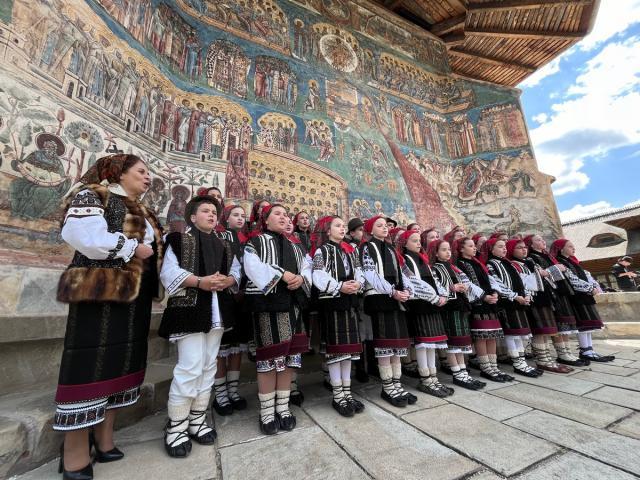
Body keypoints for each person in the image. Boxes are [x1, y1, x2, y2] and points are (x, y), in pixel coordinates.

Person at [54, 154, 163, 479]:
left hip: (134, 298)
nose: (147, 178)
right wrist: (131, 248)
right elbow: (81, 237)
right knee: (89, 366)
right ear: (120, 172)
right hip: (100, 293)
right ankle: (73, 452)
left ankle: (104, 438)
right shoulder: (94, 195)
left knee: (120, 362)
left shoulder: (144, 210)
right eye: (141, 172)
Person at [159, 195, 241, 457]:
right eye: (205, 211)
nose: (211, 215)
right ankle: (176, 426)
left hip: (216, 312)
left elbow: (236, 271)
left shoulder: (224, 246)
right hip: (190, 309)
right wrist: (199, 281)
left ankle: (197, 419)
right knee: (190, 366)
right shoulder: (178, 240)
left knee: (208, 365)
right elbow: (169, 272)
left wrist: (228, 281)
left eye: (214, 212)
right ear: (192, 217)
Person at [244, 204, 311, 434]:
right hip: (269, 306)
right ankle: (266, 412)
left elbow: (307, 268)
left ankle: (283, 407)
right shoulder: (256, 242)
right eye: (277, 214)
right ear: (266, 220)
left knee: (289, 360)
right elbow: (252, 266)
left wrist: (301, 278)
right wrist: (282, 274)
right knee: (269, 360)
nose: (283, 217)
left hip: (293, 306)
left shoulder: (295, 245)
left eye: (285, 214)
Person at [311, 216, 366, 416]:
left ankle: (347, 393)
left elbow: (359, 271)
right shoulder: (322, 251)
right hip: (333, 303)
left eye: (344, 226)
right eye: (337, 225)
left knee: (348, 351)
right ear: (327, 230)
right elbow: (318, 274)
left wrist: (358, 284)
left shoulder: (351, 250)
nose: (342, 228)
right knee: (336, 352)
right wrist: (339, 286)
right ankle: (337, 395)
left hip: (349, 302)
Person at [360, 215, 415, 407]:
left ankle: (397, 383)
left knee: (397, 343)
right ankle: (387, 386)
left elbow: (402, 272)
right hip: (380, 298)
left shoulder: (391, 249)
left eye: (386, 226)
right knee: (385, 342)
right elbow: (370, 273)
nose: (384, 228)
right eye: (380, 225)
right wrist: (392, 292)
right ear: (370, 229)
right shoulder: (367, 248)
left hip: (396, 298)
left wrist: (407, 289)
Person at [398, 231, 454, 397]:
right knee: (423, 344)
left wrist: (443, 295)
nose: (418, 244)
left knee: (433, 344)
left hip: (432, 304)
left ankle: (433, 378)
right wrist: (435, 297)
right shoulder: (404, 260)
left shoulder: (423, 259)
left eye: (419, 241)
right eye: (414, 241)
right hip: (419, 305)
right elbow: (414, 282)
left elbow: (435, 280)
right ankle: (425, 379)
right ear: (404, 243)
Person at [507, 239, 572, 374]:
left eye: (524, 247)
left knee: (546, 330)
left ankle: (547, 357)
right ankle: (542, 359)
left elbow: (546, 275)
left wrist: (545, 273)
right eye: (519, 248)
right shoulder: (514, 264)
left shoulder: (529, 262)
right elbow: (524, 281)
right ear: (512, 250)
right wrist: (542, 273)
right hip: (533, 299)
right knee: (539, 330)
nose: (524, 250)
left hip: (543, 297)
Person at [429, 239, 486, 390]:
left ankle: (463, 370)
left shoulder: (453, 267)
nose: (447, 252)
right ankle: (457, 372)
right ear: (435, 253)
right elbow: (436, 286)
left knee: (462, 340)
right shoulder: (435, 268)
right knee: (454, 341)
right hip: (449, 307)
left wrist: (464, 288)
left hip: (460, 306)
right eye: (443, 250)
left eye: (449, 250)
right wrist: (452, 287)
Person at [454, 238, 513, 382]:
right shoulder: (460, 264)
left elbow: (490, 279)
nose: (474, 248)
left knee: (492, 335)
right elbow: (467, 283)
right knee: (482, 336)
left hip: (490, 302)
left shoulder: (478, 262)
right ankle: (485, 367)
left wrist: (495, 293)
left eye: (474, 246)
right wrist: (483, 296)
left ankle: (494, 366)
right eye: (470, 246)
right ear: (461, 249)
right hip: (477, 304)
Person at [211, 205, 250, 416]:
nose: (240, 219)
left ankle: (233, 391)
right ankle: (220, 394)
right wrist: (230, 284)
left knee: (237, 346)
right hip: (223, 295)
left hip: (242, 297)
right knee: (222, 347)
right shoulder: (218, 235)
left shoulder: (246, 239)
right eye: (235, 215)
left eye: (243, 216)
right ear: (226, 217)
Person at [483, 239, 541, 377]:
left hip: (519, 302)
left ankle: (522, 361)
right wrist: (515, 296)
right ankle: (517, 362)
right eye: (500, 247)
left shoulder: (508, 263)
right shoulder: (491, 264)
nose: (504, 249)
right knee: (512, 333)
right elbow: (497, 283)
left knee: (520, 333)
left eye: (504, 247)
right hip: (507, 302)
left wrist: (526, 295)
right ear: (491, 249)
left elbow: (521, 281)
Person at [525, 234, 586, 367]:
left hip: (559, 291)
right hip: (548, 292)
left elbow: (552, 271)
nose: (542, 241)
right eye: (538, 240)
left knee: (564, 323)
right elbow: (540, 274)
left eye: (542, 239)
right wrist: (556, 269)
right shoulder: (532, 258)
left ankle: (566, 351)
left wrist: (554, 269)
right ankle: (556, 354)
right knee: (555, 324)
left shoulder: (548, 256)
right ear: (531, 244)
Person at [550, 239, 615, 363]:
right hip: (575, 296)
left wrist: (595, 286)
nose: (573, 249)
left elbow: (586, 275)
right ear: (560, 248)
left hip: (584, 295)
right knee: (583, 324)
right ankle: (585, 351)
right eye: (570, 246)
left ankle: (589, 349)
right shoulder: (560, 262)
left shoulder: (573, 261)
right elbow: (571, 279)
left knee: (589, 324)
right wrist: (589, 288)